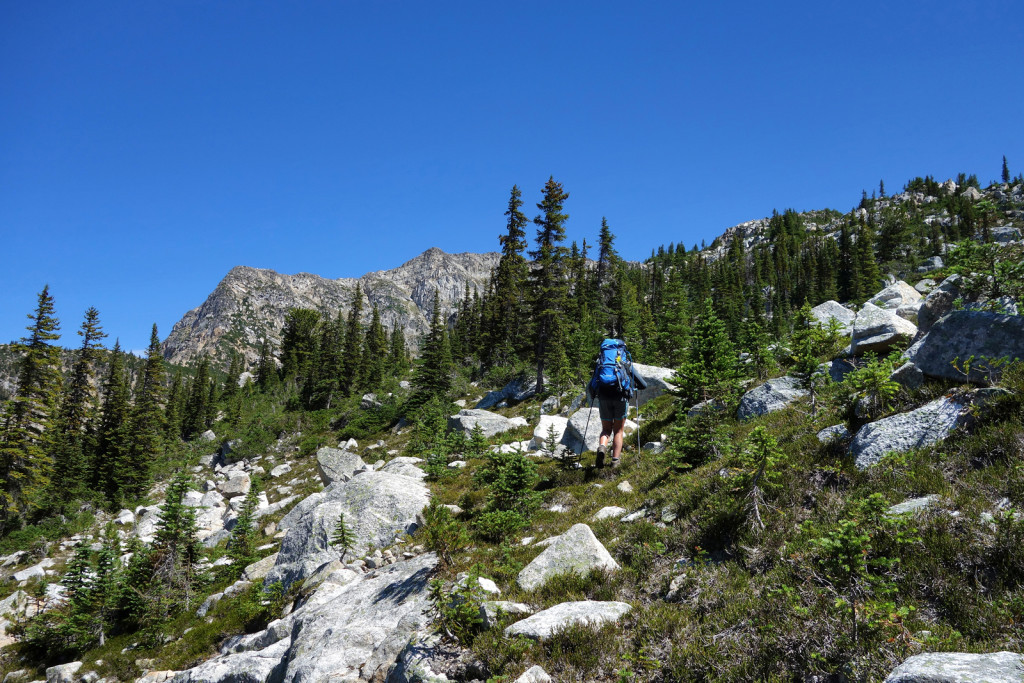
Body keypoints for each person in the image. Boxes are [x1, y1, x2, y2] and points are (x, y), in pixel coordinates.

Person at [587, 339, 647, 468]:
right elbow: (643, 384)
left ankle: (602, 447)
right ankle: (615, 461)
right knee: (618, 431)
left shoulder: (601, 363)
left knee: (606, 429)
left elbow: (592, 385)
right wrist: (634, 386)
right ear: (621, 351)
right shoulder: (624, 362)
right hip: (620, 397)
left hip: (603, 398)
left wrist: (593, 395)